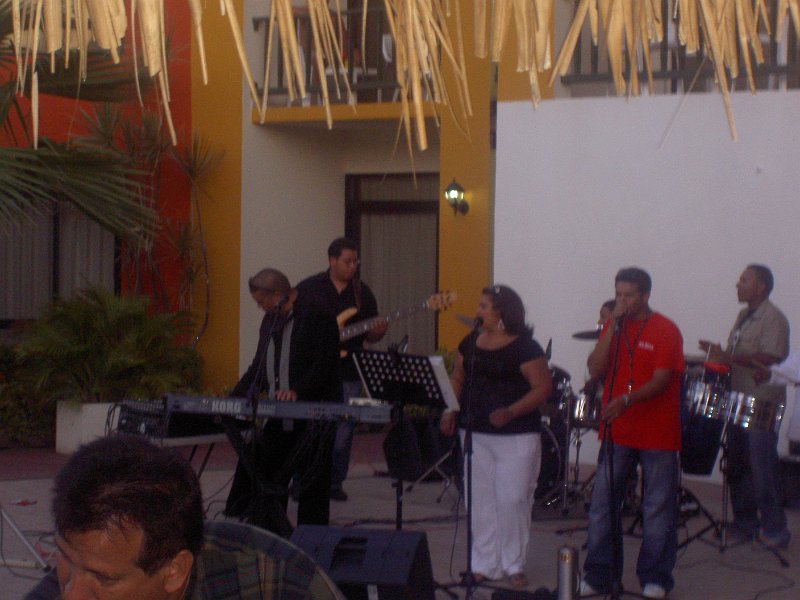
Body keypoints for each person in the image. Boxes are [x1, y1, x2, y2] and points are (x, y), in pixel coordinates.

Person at [25, 435, 342, 600]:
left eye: (104, 579)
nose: (72, 594)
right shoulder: (84, 567)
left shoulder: (278, 584)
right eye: (65, 558)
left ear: (175, 571)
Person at [439, 285, 552, 588]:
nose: (478, 311)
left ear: (503, 313)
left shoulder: (526, 348)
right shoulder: (471, 342)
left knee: (512, 499)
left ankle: (514, 563)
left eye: (484, 306)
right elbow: (458, 377)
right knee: (480, 500)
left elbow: (542, 388)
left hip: (516, 435)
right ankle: (484, 563)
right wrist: (450, 409)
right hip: (475, 431)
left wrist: (511, 412)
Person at [580, 267, 684, 599]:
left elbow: (662, 380)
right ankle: (600, 575)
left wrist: (627, 400)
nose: (622, 301)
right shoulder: (613, 327)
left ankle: (655, 578)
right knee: (602, 505)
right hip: (618, 431)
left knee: (656, 509)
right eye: (618, 294)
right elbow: (595, 368)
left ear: (645, 295)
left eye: (629, 295)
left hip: (657, 433)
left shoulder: (665, 329)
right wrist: (611, 327)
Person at [224, 268, 341, 535]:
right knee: (267, 473)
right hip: (280, 415)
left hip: (315, 417)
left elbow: (324, 364)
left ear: (278, 295)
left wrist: (298, 391)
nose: (260, 307)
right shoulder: (270, 321)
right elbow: (258, 367)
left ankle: (313, 542)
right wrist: (232, 399)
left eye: (261, 301)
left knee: (312, 484)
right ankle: (272, 538)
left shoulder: (317, 315)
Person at [699, 264, 790, 548]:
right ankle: (745, 523)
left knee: (762, 467)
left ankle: (775, 528)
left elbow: (770, 358)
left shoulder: (773, 318)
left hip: (762, 400)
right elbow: (735, 354)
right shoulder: (743, 316)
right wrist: (719, 355)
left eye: (744, 280)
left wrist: (726, 357)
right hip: (737, 398)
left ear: (760, 287)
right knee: (737, 463)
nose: (737, 284)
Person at [296, 238, 387, 502]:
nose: (352, 267)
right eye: (347, 262)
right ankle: (302, 480)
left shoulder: (362, 292)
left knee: (343, 430)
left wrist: (378, 331)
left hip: (348, 370)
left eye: (355, 262)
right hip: (313, 371)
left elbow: (371, 336)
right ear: (332, 260)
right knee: (308, 426)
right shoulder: (309, 288)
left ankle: (334, 482)